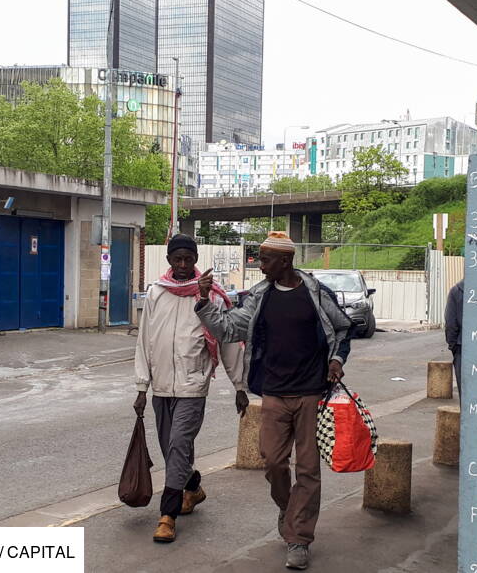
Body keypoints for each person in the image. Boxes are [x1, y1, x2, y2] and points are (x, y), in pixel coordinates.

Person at [196, 231, 351, 570]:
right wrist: (204, 301)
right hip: (274, 394)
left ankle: (299, 539)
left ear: (285, 261)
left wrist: (337, 360)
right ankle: (288, 508)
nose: (260, 265)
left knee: (309, 469)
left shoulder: (314, 293)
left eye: (265, 259)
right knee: (273, 461)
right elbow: (226, 329)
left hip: (311, 393)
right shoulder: (259, 297)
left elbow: (342, 328)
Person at [134, 234, 249, 543]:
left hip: (193, 386)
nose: (183, 265)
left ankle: (167, 515)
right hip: (160, 387)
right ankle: (193, 487)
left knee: (178, 445)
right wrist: (142, 387)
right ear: (169, 260)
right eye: (177, 259)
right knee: (172, 449)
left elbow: (227, 340)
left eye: (188, 259)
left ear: (196, 259)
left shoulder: (209, 295)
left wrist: (239, 385)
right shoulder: (157, 293)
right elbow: (145, 341)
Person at [444, 279, 464, 399]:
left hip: (463, 349)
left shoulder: (457, 291)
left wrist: (454, 347)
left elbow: (451, 324)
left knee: (466, 396)